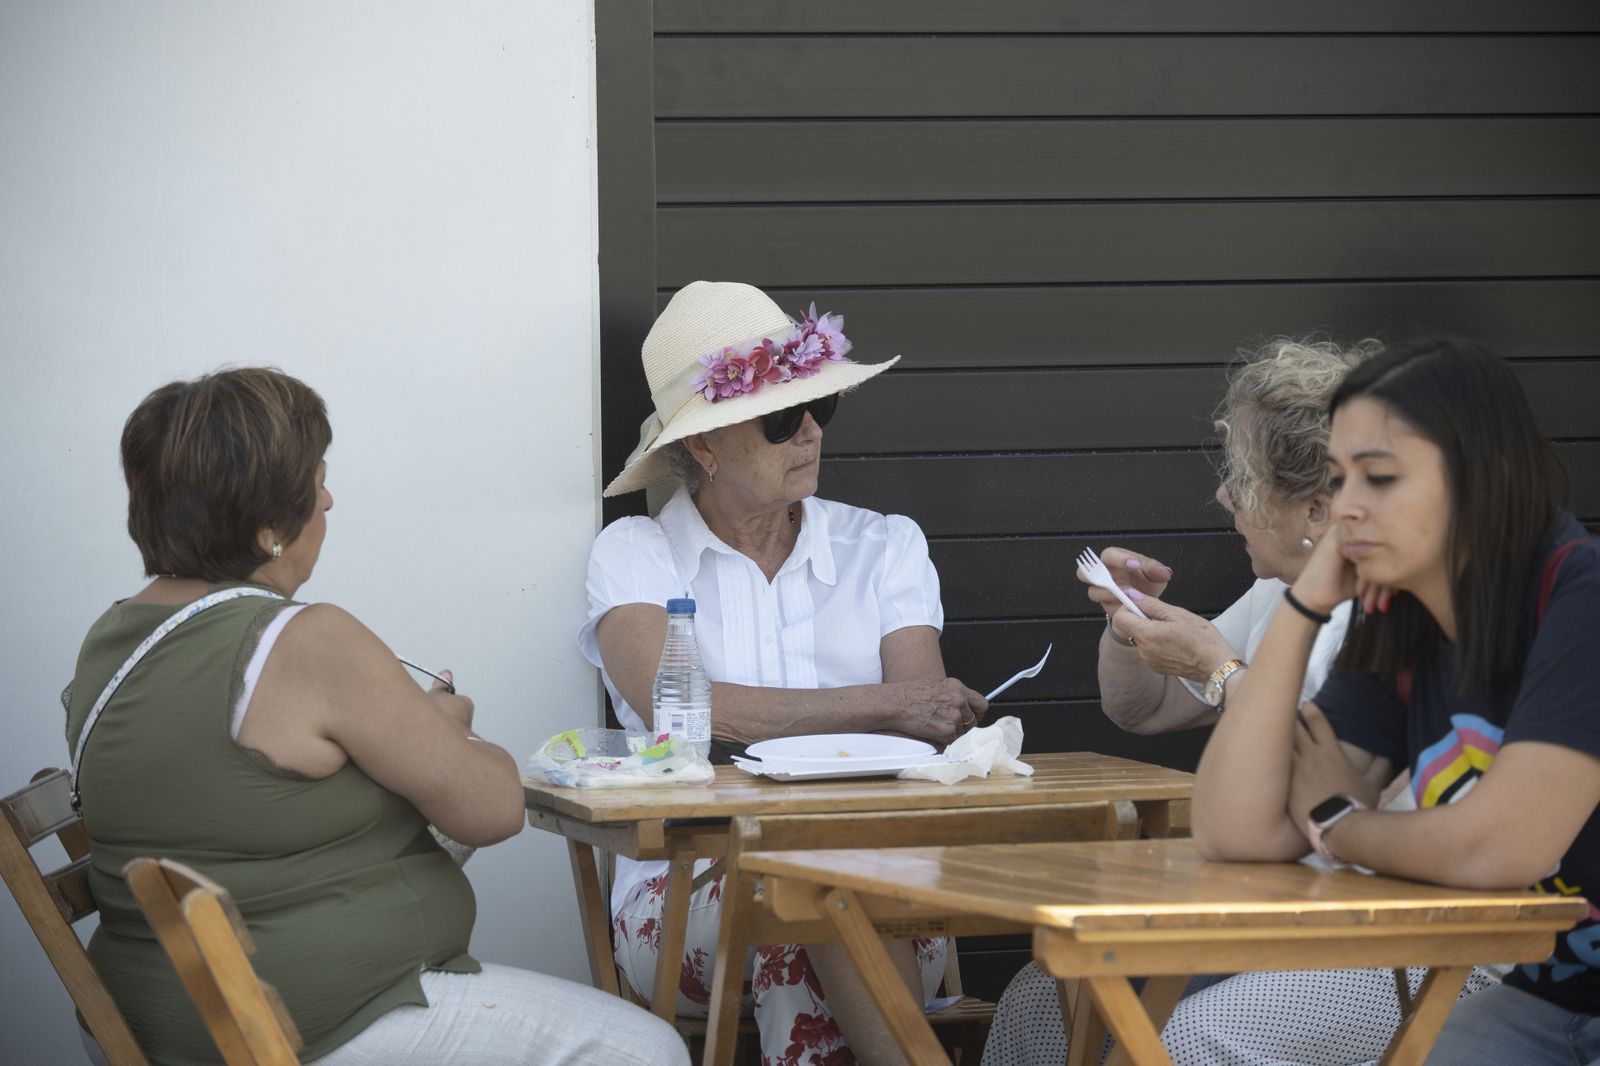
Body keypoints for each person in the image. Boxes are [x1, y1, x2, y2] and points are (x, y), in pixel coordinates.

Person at [68, 368, 687, 1066]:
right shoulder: (305, 640)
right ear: (270, 526)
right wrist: (446, 729)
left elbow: (235, 790)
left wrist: (401, 731)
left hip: (147, 1018)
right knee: (642, 1049)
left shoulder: (111, 640)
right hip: (295, 1027)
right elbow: (492, 808)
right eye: (314, 480)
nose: (328, 497)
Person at [983, 337, 1499, 1066]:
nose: (1224, 495)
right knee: (1044, 998)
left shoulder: (1405, 607)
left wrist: (1219, 667)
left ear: (1319, 510)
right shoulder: (1277, 592)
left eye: (1243, 475)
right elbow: (1143, 710)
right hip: (1289, 917)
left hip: (1417, 939)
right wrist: (1128, 626)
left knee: (1190, 1044)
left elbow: (1318, 799)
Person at [581, 280, 988, 1065]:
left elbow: (925, 728)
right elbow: (692, 715)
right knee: (793, 903)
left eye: (819, 409)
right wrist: (887, 705)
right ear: (702, 445)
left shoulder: (885, 544)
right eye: (777, 419)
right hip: (688, 890)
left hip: (885, 879)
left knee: (812, 900)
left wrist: (901, 710)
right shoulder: (633, 555)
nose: (807, 433)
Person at [1193, 337, 1600, 1065]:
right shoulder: (1406, 614)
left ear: (1482, 478)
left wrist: (1345, 827)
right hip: (1554, 999)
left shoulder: (1580, 599)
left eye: (1377, 479)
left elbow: (1497, 847)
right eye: (1339, 479)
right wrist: (1307, 601)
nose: (1345, 507)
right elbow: (1238, 832)